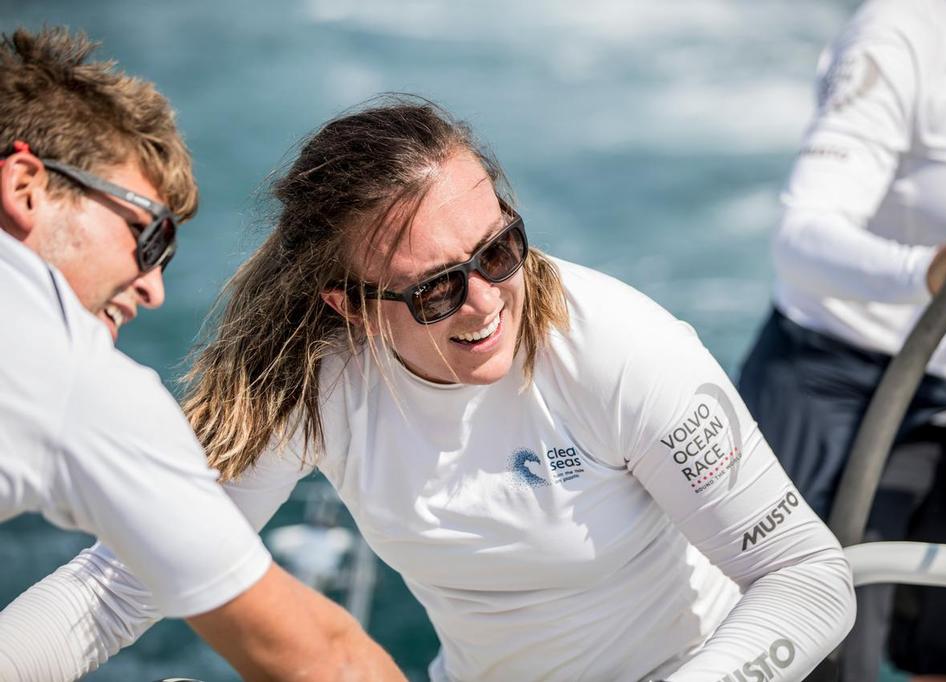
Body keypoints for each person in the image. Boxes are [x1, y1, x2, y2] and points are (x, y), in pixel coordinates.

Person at [2, 96, 856, 681]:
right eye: (436, 289)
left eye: (498, 250)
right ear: (351, 307)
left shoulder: (619, 349)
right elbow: (122, 584)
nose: (487, 300)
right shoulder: (318, 379)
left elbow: (809, 577)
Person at [0, 27, 404, 681]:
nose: (154, 288)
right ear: (26, 188)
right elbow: (321, 659)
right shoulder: (73, 374)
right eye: (150, 235)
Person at [736, 0, 946, 679]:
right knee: (817, 662)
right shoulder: (903, 31)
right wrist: (922, 268)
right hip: (839, 392)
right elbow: (801, 237)